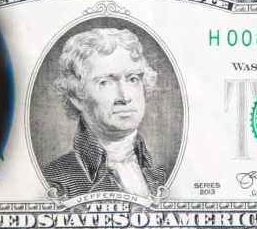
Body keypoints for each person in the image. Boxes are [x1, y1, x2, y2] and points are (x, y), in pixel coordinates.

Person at [42, 27, 167, 199]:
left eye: (133, 79)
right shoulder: (55, 181)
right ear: (76, 97)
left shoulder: (161, 175)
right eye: (105, 82)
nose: (125, 97)